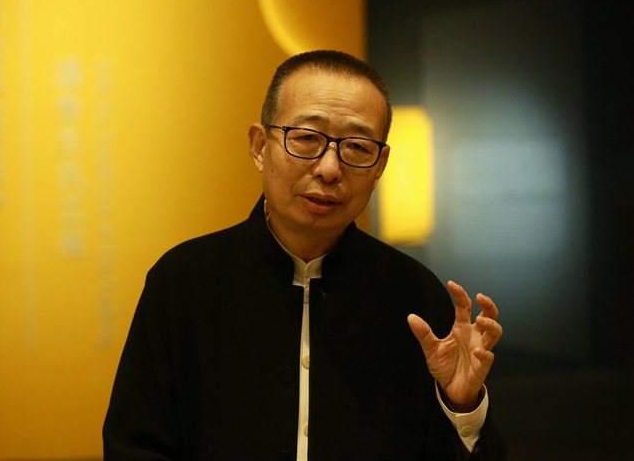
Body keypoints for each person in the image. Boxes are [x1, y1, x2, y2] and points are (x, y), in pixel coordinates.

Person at [103, 50, 505, 460]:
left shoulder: (414, 297)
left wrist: (462, 406)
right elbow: (134, 446)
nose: (329, 168)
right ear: (260, 146)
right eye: (307, 138)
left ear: (380, 165)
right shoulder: (183, 282)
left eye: (357, 146)